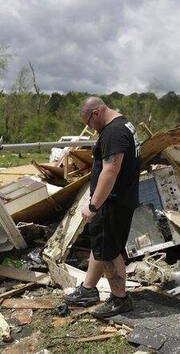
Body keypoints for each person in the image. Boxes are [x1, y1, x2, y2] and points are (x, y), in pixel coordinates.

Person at [64, 96, 141, 318]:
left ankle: (119, 299)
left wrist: (94, 205)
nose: (89, 128)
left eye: (89, 122)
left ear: (96, 113)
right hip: (117, 199)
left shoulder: (113, 132)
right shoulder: (123, 124)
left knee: (109, 252)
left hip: (112, 202)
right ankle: (88, 290)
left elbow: (110, 170)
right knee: (101, 246)